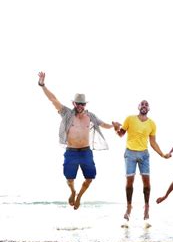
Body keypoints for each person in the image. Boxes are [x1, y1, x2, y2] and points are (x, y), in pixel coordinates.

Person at [37, 71, 116, 210]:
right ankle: (73, 191)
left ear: (85, 104)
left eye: (82, 104)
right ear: (73, 103)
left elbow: (103, 124)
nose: (80, 106)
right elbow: (53, 100)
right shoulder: (66, 113)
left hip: (85, 151)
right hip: (71, 151)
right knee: (69, 179)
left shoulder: (90, 116)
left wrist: (114, 126)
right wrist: (42, 85)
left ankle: (79, 195)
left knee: (90, 178)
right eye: (78, 103)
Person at [114, 100, 169, 221]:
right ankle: (129, 207)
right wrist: (116, 128)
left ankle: (146, 207)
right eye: (142, 104)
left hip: (144, 155)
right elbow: (121, 134)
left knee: (147, 183)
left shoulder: (152, 124)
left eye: (146, 104)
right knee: (129, 182)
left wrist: (162, 154)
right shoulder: (130, 119)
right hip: (130, 153)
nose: (144, 106)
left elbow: (153, 142)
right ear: (138, 107)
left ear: (149, 108)